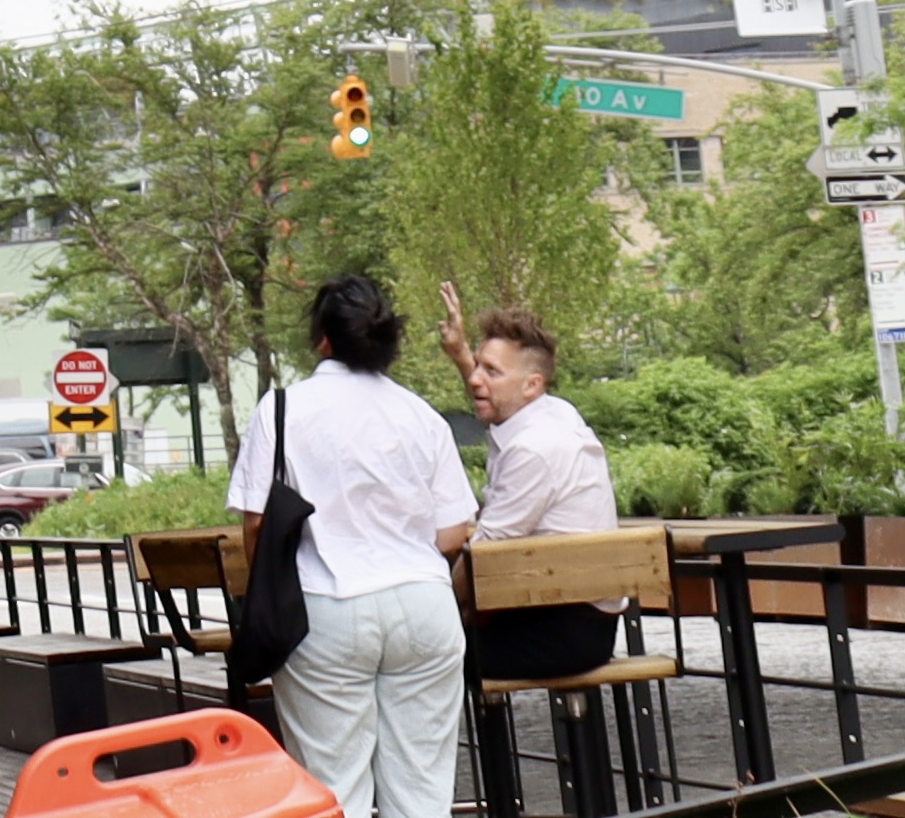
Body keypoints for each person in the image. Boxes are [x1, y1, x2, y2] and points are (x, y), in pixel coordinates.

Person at [226, 271, 473, 818]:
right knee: (423, 795)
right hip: (425, 606)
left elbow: (257, 524)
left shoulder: (282, 409)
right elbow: (453, 531)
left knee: (335, 792)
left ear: (323, 339)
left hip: (325, 607)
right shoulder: (421, 414)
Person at [437, 288, 622, 685]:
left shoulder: (533, 450)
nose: (476, 379)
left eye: (491, 371)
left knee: (414, 655)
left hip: (559, 631)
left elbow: (483, 557)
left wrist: (434, 612)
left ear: (532, 385)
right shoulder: (555, 414)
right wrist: (461, 355)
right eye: (478, 367)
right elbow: (496, 406)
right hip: (577, 618)